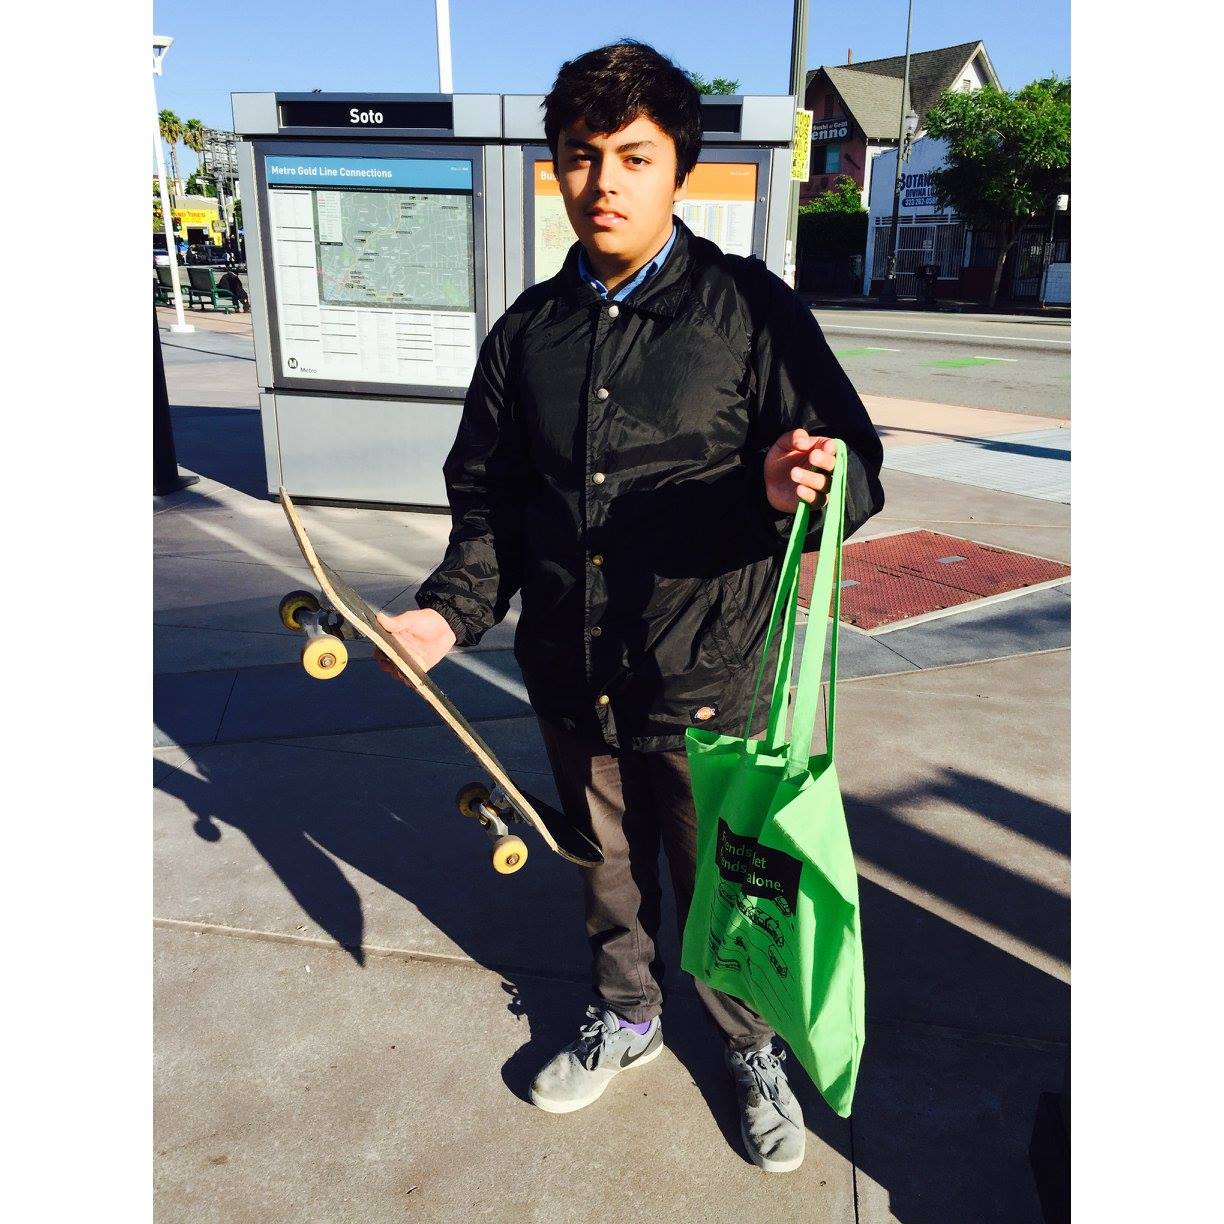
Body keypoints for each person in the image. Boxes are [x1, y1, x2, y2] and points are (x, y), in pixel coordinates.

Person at [375, 40, 884, 1174]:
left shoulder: (752, 313)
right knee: (606, 876)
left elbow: (858, 462)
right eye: (581, 157)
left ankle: (751, 1046)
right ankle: (629, 1014)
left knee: (724, 890)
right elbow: (489, 507)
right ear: (557, 169)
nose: (603, 181)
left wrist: (799, 477)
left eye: (633, 157)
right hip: (574, 678)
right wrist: (443, 618)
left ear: (677, 170)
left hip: (713, 682)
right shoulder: (527, 336)